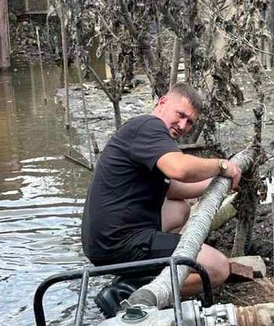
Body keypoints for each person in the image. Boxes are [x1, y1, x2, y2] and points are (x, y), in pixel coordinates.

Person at [81, 83, 242, 296]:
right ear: (162, 102)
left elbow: (174, 189)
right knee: (216, 268)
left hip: (103, 240)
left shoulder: (144, 134)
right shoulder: (149, 126)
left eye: (190, 122)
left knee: (179, 209)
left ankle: (143, 272)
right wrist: (222, 165)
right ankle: (129, 291)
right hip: (119, 242)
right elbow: (179, 169)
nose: (183, 125)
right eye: (181, 114)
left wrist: (222, 184)